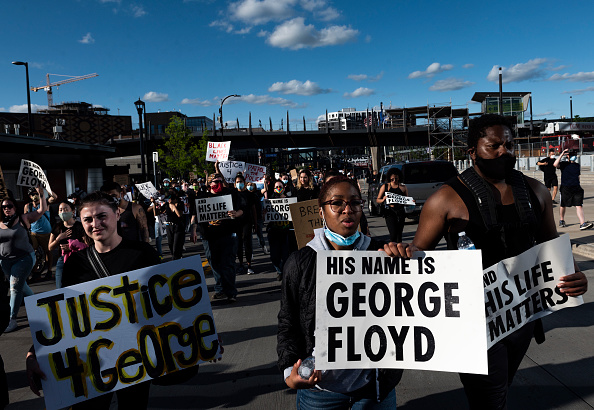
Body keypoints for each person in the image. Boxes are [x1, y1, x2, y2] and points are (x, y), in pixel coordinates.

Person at [385, 114, 588, 409]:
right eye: (493, 146)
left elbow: (551, 246)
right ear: (472, 152)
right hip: (472, 322)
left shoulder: (535, 191)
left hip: (522, 317)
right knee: (490, 398)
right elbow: (418, 255)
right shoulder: (445, 199)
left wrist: (574, 275)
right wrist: (396, 254)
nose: (503, 151)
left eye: (509, 144)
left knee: (500, 388)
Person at [26, 191, 161, 409]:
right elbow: (64, 313)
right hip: (92, 358)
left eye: (102, 216)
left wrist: (200, 336)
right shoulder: (75, 264)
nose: (95, 224)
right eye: (88, 219)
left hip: (135, 354)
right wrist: (35, 350)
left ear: (117, 214)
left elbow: (165, 302)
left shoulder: (143, 254)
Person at [277, 175, 402, 408]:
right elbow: (288, 322)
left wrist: (409, 259)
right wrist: (289, 372)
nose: (348, 210)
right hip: (320, 392)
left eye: (355, 203)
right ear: (321, 210)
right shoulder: (300, 263)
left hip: (375, 389)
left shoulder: (382, 254)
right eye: (337, 203)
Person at [0, 187, 47, 333]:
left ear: (15, 207)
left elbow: (42, 210)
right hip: (5, 261)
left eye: (9, 206)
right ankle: (39, 306)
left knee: (14, 287)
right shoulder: (0, 222)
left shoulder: (23, 218)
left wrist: (41, 195)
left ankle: (12, 320)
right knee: (21, 285)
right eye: (4, 207)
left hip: (24, 258)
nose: (7, 209)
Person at [190, 173, 242, 302]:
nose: (218, 183)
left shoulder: (230, 194)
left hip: (227, 234)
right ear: (209, 184)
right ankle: (220, 289)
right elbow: (194, 215)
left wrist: (236, 213)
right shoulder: (201, 197)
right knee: (214, 262)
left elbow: (242, 209)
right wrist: (193, 230)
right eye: (215, 181)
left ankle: (230, 292)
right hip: (209, 236)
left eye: (220, 181)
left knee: (228, 263)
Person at [48, 202, 86, 288]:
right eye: (60, 210)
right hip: (62, 261)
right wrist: (59, 238)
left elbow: (87, 245)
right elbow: (50, 247)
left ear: (72, 211)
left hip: (79, 261)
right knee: (60, 288)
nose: (63, 212)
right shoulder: (57, 226)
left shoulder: (80, 226)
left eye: (65, 209)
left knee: (79, 288)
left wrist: (72, 247)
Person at [555, 149, 593, 230]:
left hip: (576, 187)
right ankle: (562, 219)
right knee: (563, 205)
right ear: (568, 156)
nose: (573, 156)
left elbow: (578, 176)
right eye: (571, 155)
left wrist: (578, 184)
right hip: (566, 187)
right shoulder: (564, 164)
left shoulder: (577, 165)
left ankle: (582, 223)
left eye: (574, 155)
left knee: (579, 205)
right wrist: (562, 154)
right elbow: (555, 164)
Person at [24, 187, 54, 279]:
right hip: (33, 233)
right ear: (30, 196)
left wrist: (46, 188)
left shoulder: (44, 203)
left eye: (36, 194)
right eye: (33, 194)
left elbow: (54, 197)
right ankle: (35, 271)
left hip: (46, 233)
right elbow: (25, 219)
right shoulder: (27, 206)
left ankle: (49, 270)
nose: (35, 196)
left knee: (47, 252)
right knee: (33, 252)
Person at [376, 168, 409, 243]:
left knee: (399, 234)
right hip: (389, 211)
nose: (394, 181)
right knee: (393, 233)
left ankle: (399, 251)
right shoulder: (385, 187)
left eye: (396, 179)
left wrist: (410, 201)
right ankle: (393, 249)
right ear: (389, 179)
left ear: (399, 178)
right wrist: (383, 199)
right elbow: (378, 200)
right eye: (392, 179)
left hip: (400, 211)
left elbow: (406, 199)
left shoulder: (403, 187)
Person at [234, 174, 257, 275]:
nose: (239, 184)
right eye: (237, 182)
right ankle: (241, 264)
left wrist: (255, 224)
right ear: (234, 184)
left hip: (247, 221)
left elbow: (253, 209)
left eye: (241, 182)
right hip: (237, 222)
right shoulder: (233, 194)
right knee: (238, 244)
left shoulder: (249, 194)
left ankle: (249, 265)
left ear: (244, 183)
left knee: (247, 243)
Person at [247, 182, 268, 254]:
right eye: (248, 185)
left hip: (258, 216)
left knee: (259, 233)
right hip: (249, 217)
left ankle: (263, 246)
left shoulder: (257, 193)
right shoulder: (245, 194)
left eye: (251, 185)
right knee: (248, 236)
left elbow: (265, 189)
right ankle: (250, 252)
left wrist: (265, 181)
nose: (249, 186)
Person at [164, 190, 186, 260]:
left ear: (175, 199)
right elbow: (157, 213)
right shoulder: (167, 205)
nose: (169, 201)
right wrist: (154, 204)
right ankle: (175, 257)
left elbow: (179, 215)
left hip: (178, 227)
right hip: (169, 226)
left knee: (176, 246)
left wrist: (174, 206)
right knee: (170, 244)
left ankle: (176, 260)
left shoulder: (180, 204)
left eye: (171, 199)